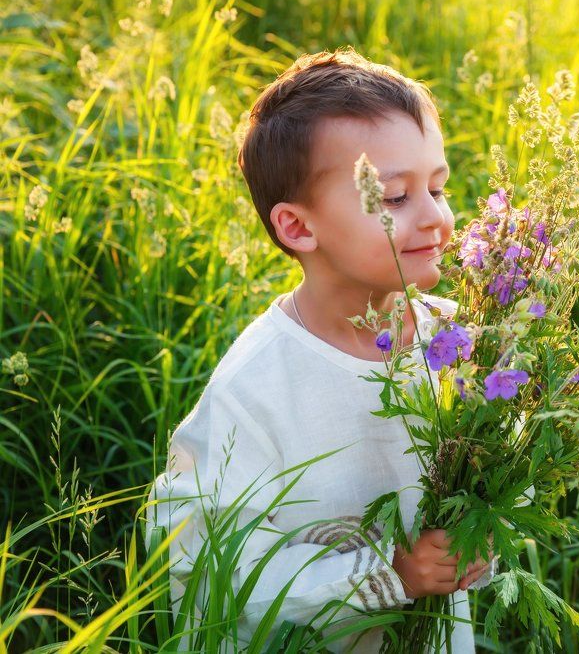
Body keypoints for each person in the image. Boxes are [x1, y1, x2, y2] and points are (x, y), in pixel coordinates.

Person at [146, 47, 492, 653]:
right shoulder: (255, 389)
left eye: (438, 187)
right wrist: (392, 575)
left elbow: (501, 470)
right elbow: (211, 563)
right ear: (298, 228)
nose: (437, 218)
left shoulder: (456, 341)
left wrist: (484, 533)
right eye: (393, 198)